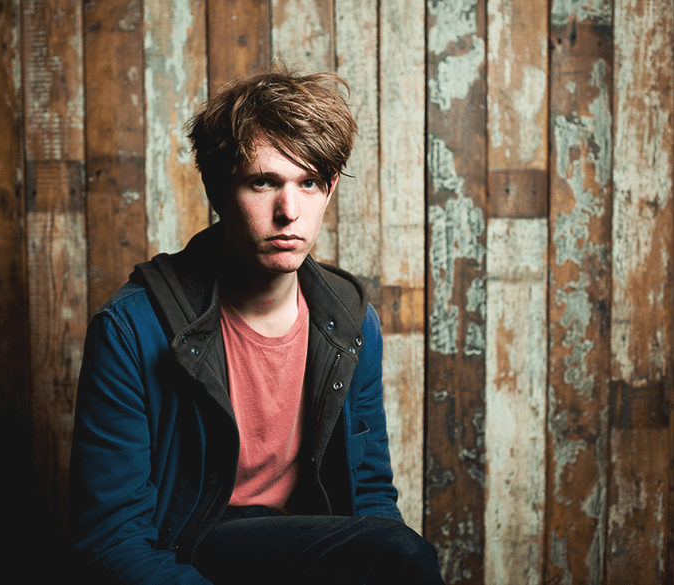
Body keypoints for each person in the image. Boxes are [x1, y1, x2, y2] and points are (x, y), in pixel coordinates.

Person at [69, 69, 445, 584]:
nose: (289, 212)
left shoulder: (349, 322)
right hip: (190, 552)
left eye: (308, 183)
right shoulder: (133, 328)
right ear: (217, 190)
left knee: (401, 553)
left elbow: (370, 496)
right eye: (263, 182)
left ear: (330, 189)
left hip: (308, 548)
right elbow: (110, 540)